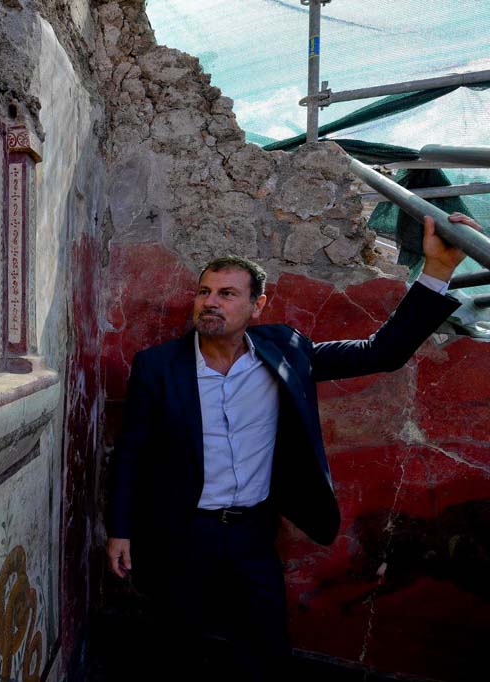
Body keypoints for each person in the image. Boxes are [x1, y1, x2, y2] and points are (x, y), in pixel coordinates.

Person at [106, 213, 483, 680]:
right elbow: (132, 451)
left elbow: (381, 353)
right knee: (177, 641)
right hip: (181, 531)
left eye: (227, 294)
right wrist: (120, 530)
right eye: (205, 292)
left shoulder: (284, 351)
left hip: (252, 531)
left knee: (264, 645)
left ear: (257, 304)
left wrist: (438, 271)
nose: (211, 303)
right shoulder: (158, 366)